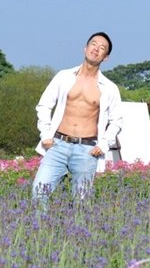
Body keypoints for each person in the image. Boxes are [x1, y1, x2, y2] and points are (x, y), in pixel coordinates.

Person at [32, 32, 123, 206]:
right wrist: (45, 134)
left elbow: (117, 120)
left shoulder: (109, 88)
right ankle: (40, 232)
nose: (96, 49)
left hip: (87, 149)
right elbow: (44, 105)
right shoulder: (63, 76)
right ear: (85, 48)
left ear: (106, 58)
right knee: (38, 193)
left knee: (81, 203)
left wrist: (103, 144)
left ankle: (76, 233)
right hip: (58, 144)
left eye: (102, 48)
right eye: (93, 44)